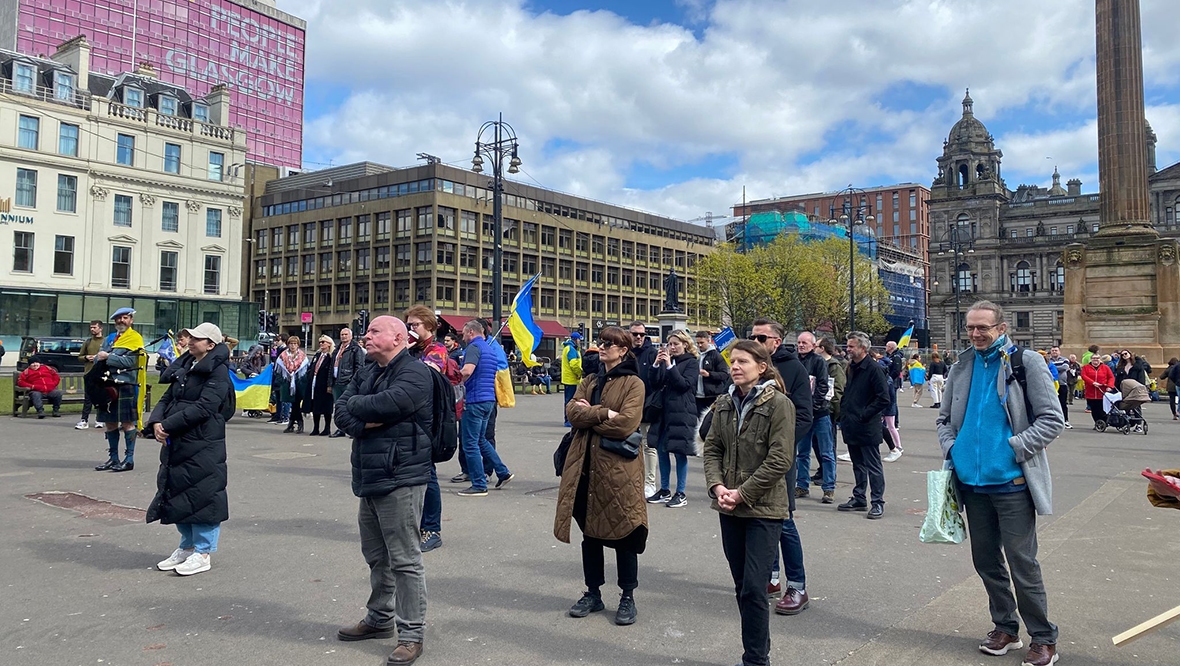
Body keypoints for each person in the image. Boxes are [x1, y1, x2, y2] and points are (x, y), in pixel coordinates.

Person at [935, 300, 1064, 666]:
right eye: (970, 327)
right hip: (972, 485)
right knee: (986, 562)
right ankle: (1005, 627)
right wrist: (953, 447)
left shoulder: (1026, 363)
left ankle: (1043, 637)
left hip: (1012, 484)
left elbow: (1052, 419)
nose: (975, 333)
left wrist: (1014, 449)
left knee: (1023, 563)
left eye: (983, 328)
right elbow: (943, 418)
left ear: (1001, 328)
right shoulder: (962, 365)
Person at [333, 316, 432, 666]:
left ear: (399, 338)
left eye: (375, 331)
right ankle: (379, 618)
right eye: (368, 330)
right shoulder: (369, 370)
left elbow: (387, 405)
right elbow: (340, 411)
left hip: (401, 476)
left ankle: (412, 633)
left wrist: (359, 409)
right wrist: (362, 415)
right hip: (370, 475)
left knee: (404, 559)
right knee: (377, 556)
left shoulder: (416, 373)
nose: (367, 335)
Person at [702, 340, 795, 666]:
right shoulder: (725, 402)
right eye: (732, 361)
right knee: (743, 586)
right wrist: (717, 486)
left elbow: (780, 459)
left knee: (755, 588)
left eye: (742, 361)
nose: (735, 366)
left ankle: (756, 659)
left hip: (764, 508)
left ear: (762, 367)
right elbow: (712, 447)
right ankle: (756, 649)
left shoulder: (779, 404)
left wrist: (743, 492)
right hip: (728, 505)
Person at [555, 326, 647, 626]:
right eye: (601, 342)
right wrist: (605, 413)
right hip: (584, 466)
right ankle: (593, 592)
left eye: (610, 343)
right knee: (589, 533)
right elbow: (572, 413)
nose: (603, 347)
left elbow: (626, 424)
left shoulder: (634, 383)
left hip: (618, 469)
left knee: (624, 532)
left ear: (623, 350)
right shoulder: (590, 379)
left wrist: (593, 414)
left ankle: (627, 596)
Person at [145, 323, 233, 577]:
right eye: (190, 337)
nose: (190, 341)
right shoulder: (186, 366)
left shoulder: (218, 372)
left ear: (211, 345)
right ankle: (187, 546)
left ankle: (203, 552)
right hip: (180, 441)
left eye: (197, 338)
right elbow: (168, 398)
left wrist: (169, 425)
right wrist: (156, 423)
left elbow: (206, 407)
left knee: (204, 494)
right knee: (179, 492)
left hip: (203, 442)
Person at [750, 318, 811, 614]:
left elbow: (804, 417)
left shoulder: (794, 369)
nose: (756, 342)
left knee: (784, 522)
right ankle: (772, 577)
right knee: (760, 520)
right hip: (749, 462)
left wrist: (780, 448)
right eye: (752, 337)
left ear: (776, 342)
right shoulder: (747, 368)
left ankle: (797, 585)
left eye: (762, 338)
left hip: (778, 460)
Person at [405, 305, 462, 554]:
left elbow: (423, 378)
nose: (411, 329)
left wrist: (403, 354)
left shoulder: (436, 350)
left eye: (415, 324)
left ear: (429, 326)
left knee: (428, 475)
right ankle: (415, 525)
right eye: (408, 325)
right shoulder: (412, 350)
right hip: (408, 419)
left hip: (429, 421)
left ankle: (432, 529)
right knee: (412, 477)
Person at [456, 320, 514, 497]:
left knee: (470, 443)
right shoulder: (490, 348)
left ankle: (479, 484)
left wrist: (452, 379)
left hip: (474, 399)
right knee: (482, 440)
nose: (463, 337)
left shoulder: (473, 348)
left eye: (464, 333)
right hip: (489, 398)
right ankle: (502, 472)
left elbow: (467, 371)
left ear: (471, 332)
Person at [839, 331, 891, 519]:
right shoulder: (851, 366)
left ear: (863, 348)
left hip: (866, 425)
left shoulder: (873, 369)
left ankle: (877, 501)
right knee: (857, 464)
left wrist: (863, 414)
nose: (848, 349)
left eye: (851, 346)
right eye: (848, 345)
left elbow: (883, 398)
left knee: (872, 465)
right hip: (851, 423)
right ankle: (859, 496)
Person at [644, 330, 699, 509]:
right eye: (670, 344)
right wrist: (655, 365)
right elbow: (655, 383)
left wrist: (669, 366)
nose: (672, 347)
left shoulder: (691, 362)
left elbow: (683, 385)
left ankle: (681, 492)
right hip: (664, 412)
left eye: (676, 344)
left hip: (682, 411)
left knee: (679, 451)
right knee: (661, 449)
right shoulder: (667, 361)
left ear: (685, 344)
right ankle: (665, 489)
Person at [93, 307, 148, 472]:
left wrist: (109, 357)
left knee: (127, 423)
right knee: (110, 423)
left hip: (125, 385)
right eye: (118, 318)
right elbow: (97, 358)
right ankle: (113, 458)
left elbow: (129, 362)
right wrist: (101, 357)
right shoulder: (110, 338)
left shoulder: (135, 338)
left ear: (131, 320)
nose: (121, 321)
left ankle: (129, 459)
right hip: (107, 385)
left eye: (124, 318)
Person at [793, 332, 833, 503]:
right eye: (799, 342)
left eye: (804, 342)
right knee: (802, 453)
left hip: (820, 413)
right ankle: (802, 485)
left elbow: (823, 386)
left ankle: (829, 488)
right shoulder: (794, 361)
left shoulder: (819, 361)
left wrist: (813, 407)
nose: (801, 345)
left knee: (826, 453)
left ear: (813, 345)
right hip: (801, 415)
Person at [630, 321, 660, 498]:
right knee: (631, 444)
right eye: (635, 334)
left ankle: (649, 483)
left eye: (642, 334)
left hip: (647, 405)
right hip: (629, 407)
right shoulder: (626, 353)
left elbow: (657, 381)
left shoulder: (652, 353)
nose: (639, 337)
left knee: (649, 446)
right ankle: (634, 480)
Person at [330, 326, 367, 438]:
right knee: (339, 406)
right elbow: (332, 367)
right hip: (337, 381)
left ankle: (353, 428)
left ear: (351, 336)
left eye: (346, 334)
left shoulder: (355, 349)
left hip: (348, 381)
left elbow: (359, 366)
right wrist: (330, 383)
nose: (344, 336)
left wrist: (354, 381)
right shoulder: (337, 349)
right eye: (342, 334)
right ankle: (341, 428)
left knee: (351, 406)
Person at [276, 336, 309, 434]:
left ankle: (294, 424)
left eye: (295, 344)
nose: (293, 346)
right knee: (293, 404)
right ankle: (296, 423)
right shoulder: (283, 356)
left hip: (299, 384)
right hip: (287, 384)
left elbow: (306, 371)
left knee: (296, 404)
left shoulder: (303, 357)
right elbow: (277, 371)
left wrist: (302, 381)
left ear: (298, 345)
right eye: (291, 344)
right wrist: (283, 381)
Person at [76, 320, 106, 429]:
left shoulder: (106, 341)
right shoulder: (88, 342)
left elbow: (111, 355)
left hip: (102, 373)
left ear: (100, 328)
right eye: (91, 328)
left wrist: (99, 357)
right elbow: (80, 357)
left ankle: (100, 419)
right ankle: (84, 420)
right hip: (89, 373)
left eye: (94, 327)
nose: (92, 329)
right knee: (88, 398)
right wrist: (86, 357)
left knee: (102, 396)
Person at [694, 330, 730, 416]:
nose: (699, 345)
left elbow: (724, 374)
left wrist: (709, 374)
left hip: (712, 395)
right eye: (697, 343)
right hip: (698, 396)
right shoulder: (696, 356)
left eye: (702, 343)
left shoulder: (717, 356)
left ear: (708, 340)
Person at [307, 335, 336, 436]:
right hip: (315, 382)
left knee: (326, 407)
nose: (321, 344)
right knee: (315, 405)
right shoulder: (318, 355)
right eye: (320, 342)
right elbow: (312, 367)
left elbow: (331, 371)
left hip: (325, 383)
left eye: (323, 342)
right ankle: (316, 428)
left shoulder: (331, 356)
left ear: (329, 343)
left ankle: (327, 428)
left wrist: (330, 385)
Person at [1081, 353, 1116, 427]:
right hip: (1091, 392)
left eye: (1097, 358)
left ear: (1100, 359)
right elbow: (1084, 376)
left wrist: (1110, 386)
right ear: (1091, 359)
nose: (1095, 360)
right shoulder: (1086, 367)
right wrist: (1092, 382)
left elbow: (1111, 377)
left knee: (1102, 409)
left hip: (1102, 392)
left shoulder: (1105, 367)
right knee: (1094, 409)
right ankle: (1097, 422)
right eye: (1094, 358)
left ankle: (1104, 422)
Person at [561, 333, 584, 426]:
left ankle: (568, 418)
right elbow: (574, 364)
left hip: (569, 377)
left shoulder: (569, 348)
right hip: (571, 378)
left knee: (569, 399)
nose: (580, 341)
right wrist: (579, 373)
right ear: (576, 339)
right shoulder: (571, 349)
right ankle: (568, 420)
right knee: (570, 400)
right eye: (579, 339)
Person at [1047, 347, 1072, 429]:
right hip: (1050, 384)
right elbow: (1045, 368)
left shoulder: (1065, 359)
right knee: (1051, 404)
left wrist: (1052, 368)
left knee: (1063, 403)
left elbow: (1064, 367)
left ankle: (1065, 420)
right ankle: (1053, 421)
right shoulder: (1048, 360)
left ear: (1059, 352)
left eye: (1056, 350)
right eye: (1053, 350)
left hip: (1062, 384)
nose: (1054, 352)